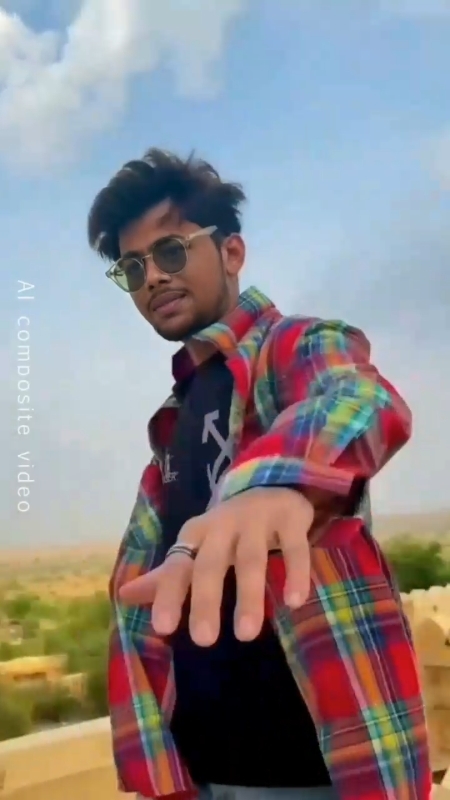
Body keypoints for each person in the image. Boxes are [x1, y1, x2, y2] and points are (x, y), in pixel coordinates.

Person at [87, 149, 431, 800]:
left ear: (232, 252)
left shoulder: (294, 346)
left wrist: (272, 484)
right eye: (132, 267)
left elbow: (358, 397)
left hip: (314, 771)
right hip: (201, 770)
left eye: (170, 251)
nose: (152, 277)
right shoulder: (175, 418)